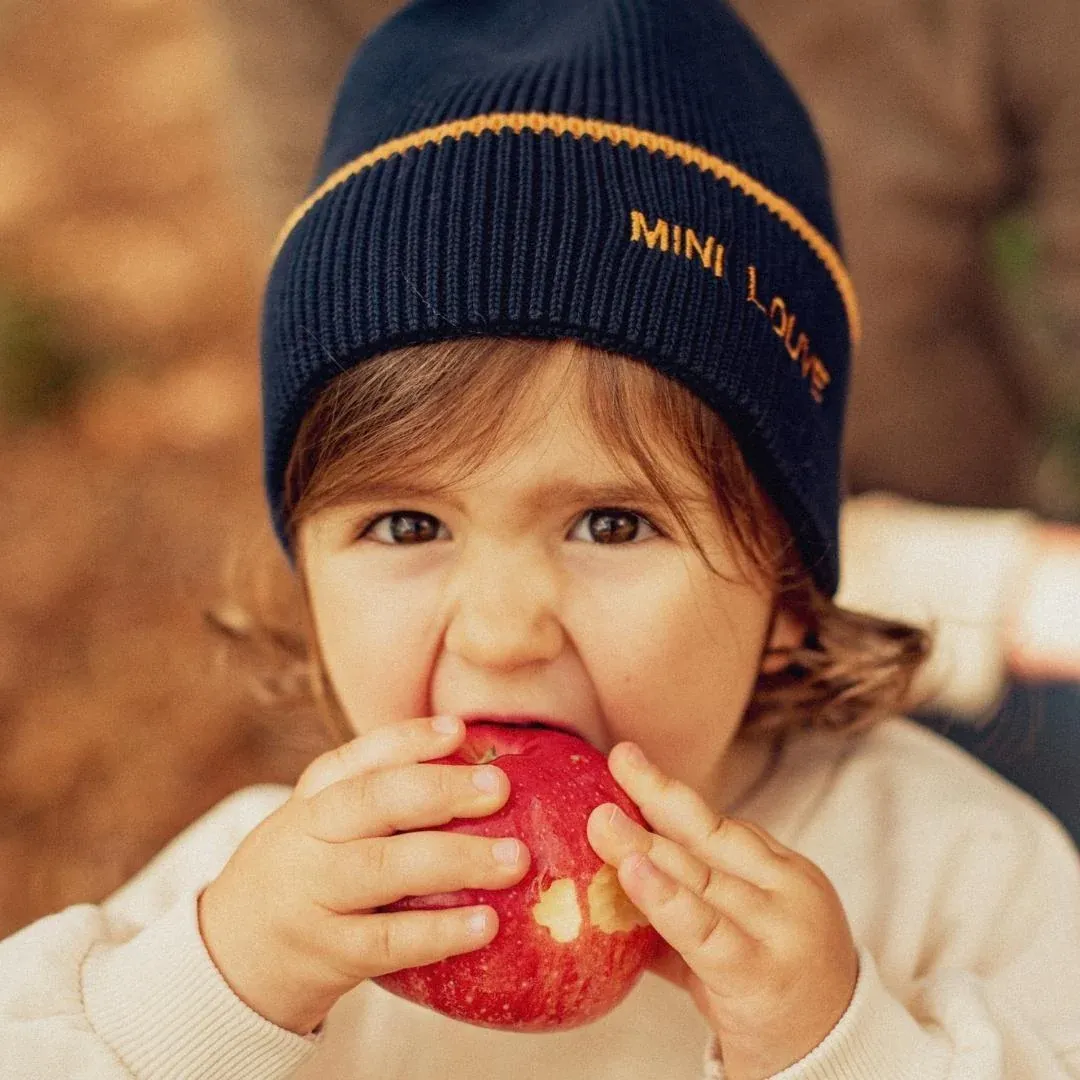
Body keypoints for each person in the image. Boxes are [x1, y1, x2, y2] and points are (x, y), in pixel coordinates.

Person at [2, 1, 1079, 1076]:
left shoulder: (955, 872)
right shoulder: (257, 898)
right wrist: (215, 996)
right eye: (406, 523)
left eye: (611, 523)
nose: (506, 628)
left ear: (790, 588)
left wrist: (838, 1048)